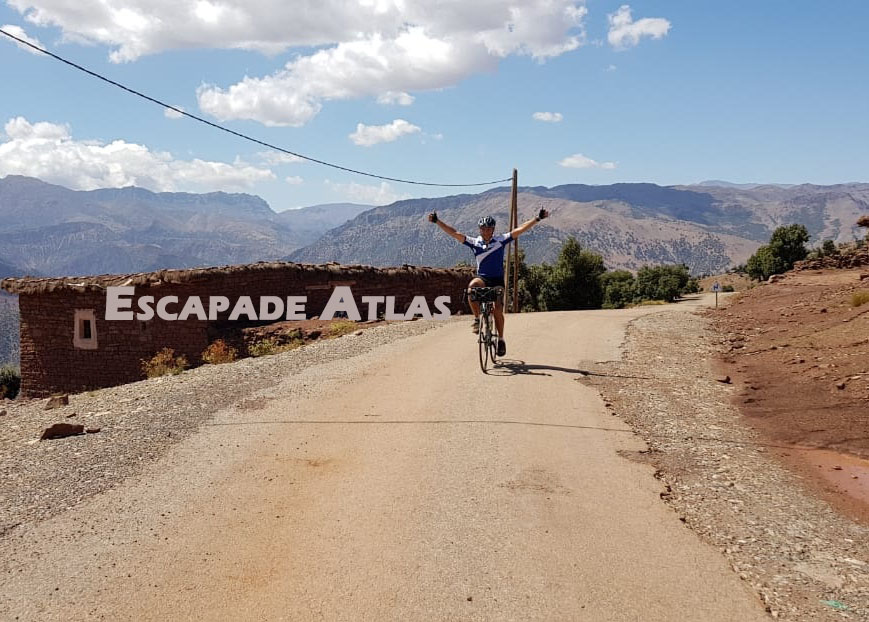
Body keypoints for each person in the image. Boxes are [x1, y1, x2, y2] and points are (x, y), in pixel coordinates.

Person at [427, 207, 549, 356]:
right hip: (483, 279)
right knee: (471, 289)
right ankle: (477, 319)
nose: (486, 231)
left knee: (497, 309)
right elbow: (454, 233)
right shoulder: (475, 242)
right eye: (483, 229)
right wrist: (437, 221)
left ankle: (502, 340)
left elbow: (520, 230)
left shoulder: (500, 240)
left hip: (497, 280)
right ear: (480, 230)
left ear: (493, 230)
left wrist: (537, 218)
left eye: (489, 229)